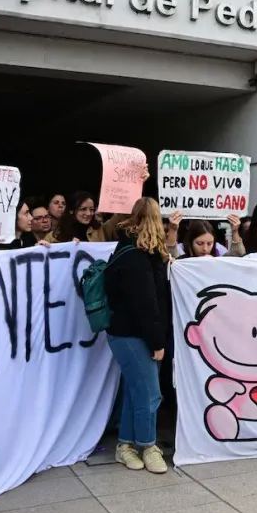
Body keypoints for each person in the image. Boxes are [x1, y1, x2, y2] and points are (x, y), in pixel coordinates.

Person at [103, 198, 171, 474]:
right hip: (133, 334)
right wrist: (157, 342)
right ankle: (148, 446)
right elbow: (146, 305)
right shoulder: (137, 257)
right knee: (150, 394)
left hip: (125, 333)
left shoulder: (131, 249)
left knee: (136, 391)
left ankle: (125, 446)